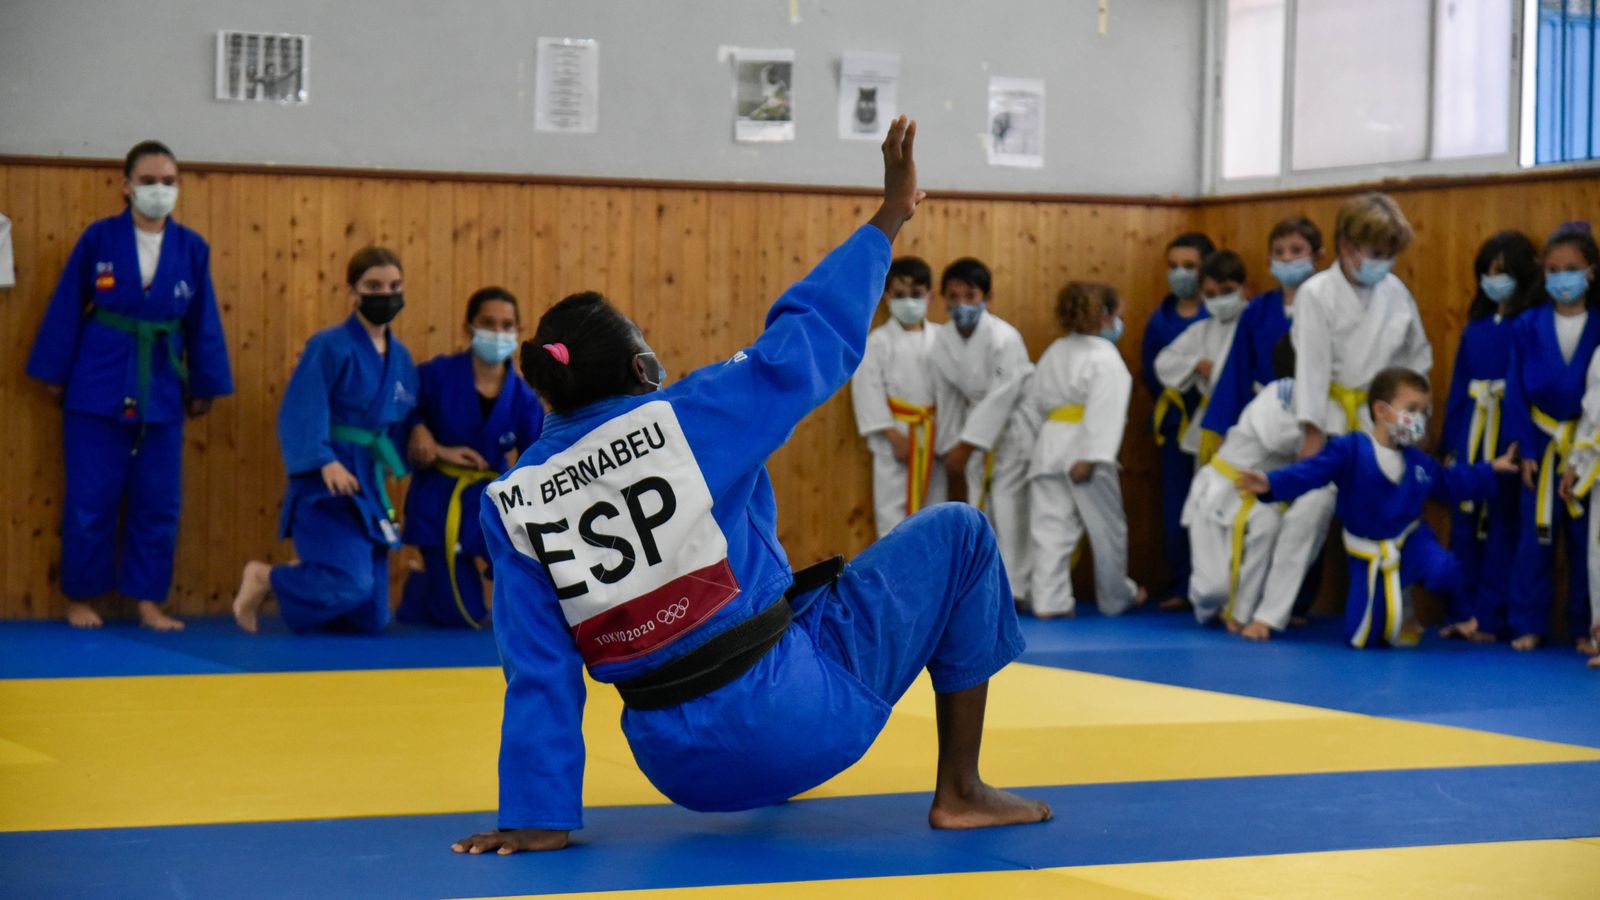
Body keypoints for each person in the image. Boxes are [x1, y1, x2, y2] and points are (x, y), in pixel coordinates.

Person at [451, 118, 1050, 856]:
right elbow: (807, 338)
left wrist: (536, 816)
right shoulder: (682, 419)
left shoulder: (511, 501)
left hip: (679, 766)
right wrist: (890, 216)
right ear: (641, 370)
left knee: (783, 597)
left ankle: (577, 802)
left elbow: (538, 666)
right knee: (960, 532)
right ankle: (961, 792)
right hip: (797, 718)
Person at [25, 140, 233, 631]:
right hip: (98, 382)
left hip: (160, 385)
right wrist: (55, 373)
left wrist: (204, 382)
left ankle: (147, 601)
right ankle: (79, 596)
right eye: (148, 181)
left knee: (158, 502)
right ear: (126, 186)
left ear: (178, 187)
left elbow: (203, 321)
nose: (159, 190)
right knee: (89, 499)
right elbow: (65, 308)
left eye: (168, 182)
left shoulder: (192, 248)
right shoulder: (98, 240)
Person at [1237, 368, 1519, 649]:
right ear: (1381, 411)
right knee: (1362, 637)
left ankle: (1461, 616)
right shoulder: (1350, 449)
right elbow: (1311, 472)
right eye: (1411, 408)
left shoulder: (1419, 462)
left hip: (1410, 542)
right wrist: (1271, 482)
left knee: (1444, 569)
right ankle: (1401, 614)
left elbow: (1451, 482)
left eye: (1424, 411)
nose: (1419, 418)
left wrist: (1491, 468)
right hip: (1368, 552)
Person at [232, 247, 419, 634]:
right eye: (374, 286)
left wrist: (414, 445)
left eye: (394, 286)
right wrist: (323, 459)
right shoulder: (329, 345)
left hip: (369, 484)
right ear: (352, 293)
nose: (385, 294)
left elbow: (400, 420)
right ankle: (266, 578)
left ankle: (315, 576)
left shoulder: (401, 357)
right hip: (327, 485)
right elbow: (302, 408)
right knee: (353, 585)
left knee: (373, 617)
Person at [399, 287, 544, 628]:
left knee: (517, 572)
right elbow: (405, 414)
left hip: (489, 499)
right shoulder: (435, 374)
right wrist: (421, 432)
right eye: (488, 323)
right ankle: (421, 587)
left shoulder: (524, 397)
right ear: (468, 328)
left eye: (507, 325)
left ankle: (432, 581)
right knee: (462, 615)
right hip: (438, 497)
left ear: (518, 332)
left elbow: (535, 461)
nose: (498, 333)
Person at [1437, 231, 1541, 642]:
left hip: (1506, 431)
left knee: (1501, 524)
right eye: (1487, 273)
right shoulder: (1474, 329)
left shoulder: (1527, 325)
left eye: (1502, 272)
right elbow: (1459, 389)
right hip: (1472, 433)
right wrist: (1450, 444)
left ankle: (1491, 616)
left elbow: (1524, 388)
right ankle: (1461, 611)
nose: (1494, 280)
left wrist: (1519, 439)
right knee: (1464, 523)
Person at [1503, 223, 1600, 652]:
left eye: (1572, 268)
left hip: (1585, 445)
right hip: (1541, 440)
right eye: (1554, 269)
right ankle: (1528, 621)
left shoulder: (1598, 324)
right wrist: (1523, 447)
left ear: (1591, 273)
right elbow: (1515, 390)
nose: (1563, 278)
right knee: (1534, 536)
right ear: (1544, 274)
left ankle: (1584, 625)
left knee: (1584, 540)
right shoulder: (1527, 325)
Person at [1024, 281, 1140, 618]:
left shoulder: (1055, 351)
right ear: (1105, 317)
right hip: (1084, 451)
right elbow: (1106, 410)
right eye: (1118, 315)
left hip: (1048, 447)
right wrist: (1092, 455)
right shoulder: (1106, 358)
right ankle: (1116, 598)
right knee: (1108, 531)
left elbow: (1037, 402)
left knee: (1050, 529)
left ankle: (1049, 601)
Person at [930, 257, 1036, 600]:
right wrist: (950, 447)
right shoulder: (942, 340)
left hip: (1012, 429)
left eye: (970, 296)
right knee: (979, 506)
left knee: (1008, 505)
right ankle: (986, 590)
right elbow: (946, 396)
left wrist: (969, 443)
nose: (961, 305)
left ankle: (1017, 588)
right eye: (953, 296)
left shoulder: (1005, 337)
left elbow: (1003, 396)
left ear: (987, 298)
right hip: (971, 427)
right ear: (942, 297)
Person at [1183, 337, 1301, 636]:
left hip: (1260, 496)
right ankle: (1215, 605)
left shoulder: (1318, 397)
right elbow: (1280, 439)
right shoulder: (1282, 392)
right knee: (1211, 590)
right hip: (1221, 487)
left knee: (1268, 527)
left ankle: (1242, 612)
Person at [1140, 232, 1214, 609]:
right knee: (1175, 510)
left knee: (1210, 507)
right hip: (1173, 424)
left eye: (1189, 266)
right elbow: (1151, 372)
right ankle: (1182, 584)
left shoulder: (1216, 314)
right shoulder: (1161, 318)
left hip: (1216, 427)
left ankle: (1211, 587)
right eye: (1173, 267)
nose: (1180, 274)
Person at [1201, 216, 1323, 439]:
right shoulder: (1257, 311)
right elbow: (1237, 370)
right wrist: (1223, 429)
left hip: (1318, 415)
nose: (1287, 258)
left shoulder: (1328, 306)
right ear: (1269, 261)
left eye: (1296, 250)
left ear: (1317, 257)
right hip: (1264, 414)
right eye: (1279, 252)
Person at [851, 257, 945, 538]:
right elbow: (867, 390)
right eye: (900, 295)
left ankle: (933, 581)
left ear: (930, 296)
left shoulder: (942, 338)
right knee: (891, 517)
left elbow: (951, 392)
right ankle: (893, 581)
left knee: (934, 514)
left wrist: (948, 434)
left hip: (933, 436)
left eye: (916, 295)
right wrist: (893, 436)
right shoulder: (877, 341)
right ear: (887, 296)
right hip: (894, 440)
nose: (908, 301)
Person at [1155, 249, 1251, 466]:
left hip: (1248, 421)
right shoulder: (1202, 330)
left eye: (1227, 291)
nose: (1219, 299)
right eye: (1211, 294)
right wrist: (1194, 364)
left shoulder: (1256, 323)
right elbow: (1164, 362)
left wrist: (1219, 374)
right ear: (1201, 295)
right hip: (1209, 421)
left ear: (1245, 287)